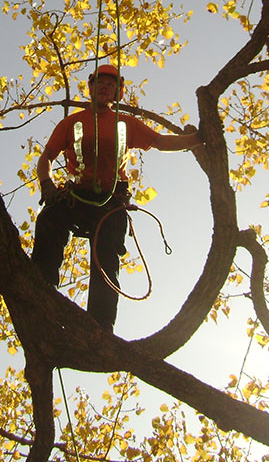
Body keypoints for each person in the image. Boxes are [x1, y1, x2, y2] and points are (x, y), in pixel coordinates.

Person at [31, 64, 204, 331]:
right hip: (76, 196)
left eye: (110, 85)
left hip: (111, 200)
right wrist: (47, 185)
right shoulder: (72, 123)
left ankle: (99, 327)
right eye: (99, 83)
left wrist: (199, 138)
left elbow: (160, 142)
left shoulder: (125, 124)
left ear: (118, 92)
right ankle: (41, 295)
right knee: (49, 223)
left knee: (106, 257)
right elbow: (46, 159)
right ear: (90, 87)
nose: (104, 87)